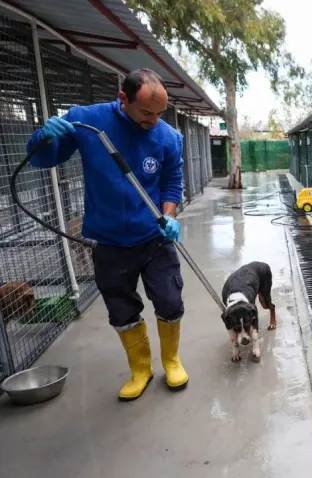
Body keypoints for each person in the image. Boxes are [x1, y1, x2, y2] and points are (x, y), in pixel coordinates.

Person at [26, 68, 188, 402]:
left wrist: (169, 217)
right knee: (121, 309)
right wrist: (44, 136)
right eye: (146, 113)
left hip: (155, 237)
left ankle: (171, 360)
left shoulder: (169, 137)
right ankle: (140, 370)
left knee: (170, 300)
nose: (154, 121)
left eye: (160, 114)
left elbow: (172, 183)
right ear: (123, 99)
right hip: (108, 240)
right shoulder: (87, 122)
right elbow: (42, 160)